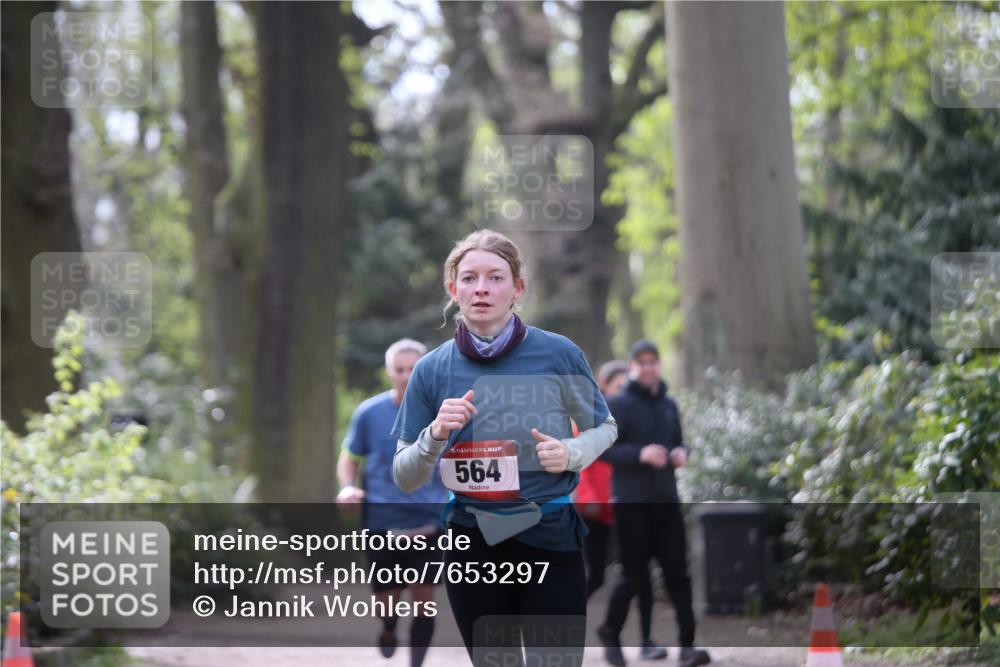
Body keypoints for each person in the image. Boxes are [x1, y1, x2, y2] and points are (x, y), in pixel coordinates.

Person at [391, 229, 618, 667]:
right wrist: (434, 434)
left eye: (495, 277)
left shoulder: (558, 353)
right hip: (472, 540)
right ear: (452, 287)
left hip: (549, 535)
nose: (481, 288)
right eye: (469, 277)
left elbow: (604, 427)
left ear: (517, 287)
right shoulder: (431, 370)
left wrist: (572, 452)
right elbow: (405, 475)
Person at [597, 340, 711, 667]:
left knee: (678, 575)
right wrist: (640, 454)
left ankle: (688, 646)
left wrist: (681, 454)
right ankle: (609, 631)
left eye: (653, 361)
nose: (648, 367)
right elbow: (603, 449)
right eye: (641, 362)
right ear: (632, 366)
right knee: (633, 576)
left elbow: (678, 441)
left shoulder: (668, 404)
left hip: (667, 502)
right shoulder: (618, 404)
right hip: (632, 505)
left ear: (659, 365)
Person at [336, 338, 446, 667]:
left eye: (414, 369)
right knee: (386, 601)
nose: (407, 376)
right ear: (389, 373)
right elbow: (350, 456)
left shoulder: (446, 414)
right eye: (400, 370)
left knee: (424, 599)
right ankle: (388, 628)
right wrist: (346, 487)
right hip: (382, 520)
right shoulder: (369, 413)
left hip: (431, 520)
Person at [577, 360, 666, 660]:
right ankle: (555, 617)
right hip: (596, 513)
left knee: (639, 573)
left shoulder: (637, 416)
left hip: (629, 509)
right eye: (618, 384)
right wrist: (588, 499)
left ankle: (645, 639)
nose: (626, 388)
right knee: (596, 577)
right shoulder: (589, 419)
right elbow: (581, 467)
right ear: (605, 389)